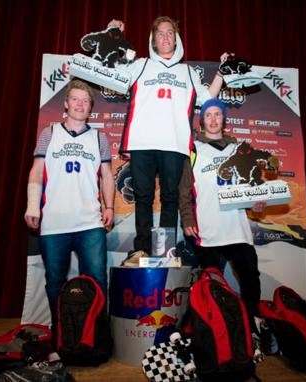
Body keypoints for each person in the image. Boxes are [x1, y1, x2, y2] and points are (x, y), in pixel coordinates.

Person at [105, 17, 228, 263]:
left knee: (170, 197)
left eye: (169, 33)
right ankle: (141, 249)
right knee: (143, 196)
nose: (165, 37)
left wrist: (222, 72)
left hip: (174, 144)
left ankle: (164, 250)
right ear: (153, 39)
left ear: (177, 38)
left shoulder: (188, 72)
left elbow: (207, 99)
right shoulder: (140, 65)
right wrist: (111, 37)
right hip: (142, 143)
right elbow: (111, 74)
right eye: (160, 33)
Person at [24, 79, 115, 337]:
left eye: (85, 101)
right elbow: (37, 170)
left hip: (90, 223)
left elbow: (107, 175)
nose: (80, 104)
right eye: (75, 99)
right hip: (54, 223)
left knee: (97, 281)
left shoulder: (100, 137)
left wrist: (109, 206)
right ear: (66, 104)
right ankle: (61, 333)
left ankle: (97, 335)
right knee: (55, 283)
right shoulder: (49, 133)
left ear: (90, 108)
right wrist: (32, 205)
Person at [178, 98, 266, 337]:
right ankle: (212, 329)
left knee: (250, 276)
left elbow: (251, 181)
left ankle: (253, 323)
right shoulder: (193, 150)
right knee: (209, 284)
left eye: (218, 114)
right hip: (208, 230)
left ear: (224, 120)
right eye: (209, 115)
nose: (214, 119)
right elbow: (185, 190)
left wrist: (258, 199)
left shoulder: (239, 148)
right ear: (202, 120)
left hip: (237, 228)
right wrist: (187, 220)